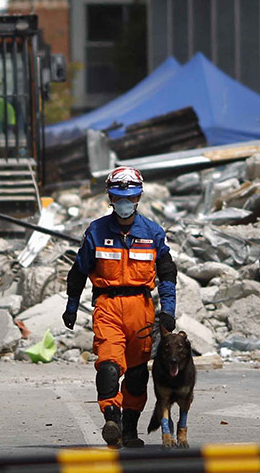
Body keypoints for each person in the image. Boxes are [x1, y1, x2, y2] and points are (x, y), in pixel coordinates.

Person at [62, 166, 178, 448]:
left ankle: (129, 431)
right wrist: (72, 305)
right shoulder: (97, 231)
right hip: (107, 305)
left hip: (141, 307)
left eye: (129, 197)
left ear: (138, 197)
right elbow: (79, 271)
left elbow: (167, 273)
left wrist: (169, 311)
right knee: (109, 365)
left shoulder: (152, 232)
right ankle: (111, 419)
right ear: (110, 198)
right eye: (117, 197)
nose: (124, 203)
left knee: (138, 374)